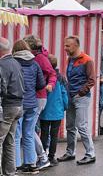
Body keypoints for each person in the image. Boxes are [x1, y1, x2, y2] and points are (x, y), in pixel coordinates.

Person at [58, 36, 96, 165]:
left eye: (67, 46)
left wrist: (81, 93)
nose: (65, 48)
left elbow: (92, 80)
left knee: (81, 126)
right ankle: (70, 152)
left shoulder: (87, 60)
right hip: (72, 96)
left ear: (76, 46)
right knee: (70, 126)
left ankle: (90, 154)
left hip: (81, 97)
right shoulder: (70, 59)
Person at [23, 35, 57, 170]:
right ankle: (36, 158)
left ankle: (42, 158)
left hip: (38, 96)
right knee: (30, 129)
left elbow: (52, 73)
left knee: (29, 130)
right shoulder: (39, 57)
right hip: (37, 96)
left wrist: (50, 85)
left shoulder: (40, 58)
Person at [13, 40, 45, 174]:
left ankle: (15, 165)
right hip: (32, 103)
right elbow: (41, 84)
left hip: (18, 103)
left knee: (16, 135)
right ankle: (31, 164)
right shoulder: (35, 64)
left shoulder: (13, 63)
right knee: (28, 134)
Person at [0, 37, 24, 176]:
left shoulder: (2, 65)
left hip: (7, 106)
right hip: (18, 105)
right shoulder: (16, 63)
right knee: (9, 142)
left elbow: (2, 88)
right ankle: (10, 172)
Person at [40, 54, 68, 167]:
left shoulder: (43, 78)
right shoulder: (61, 78)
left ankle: (43, 156)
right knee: (54, 135)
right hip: (57, 111)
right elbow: (64, 94)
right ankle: (52, 157)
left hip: (45, 110)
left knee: (44, 134)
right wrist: (65, 106)